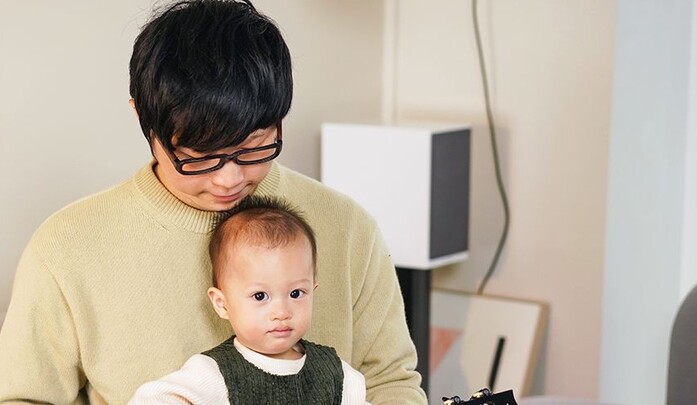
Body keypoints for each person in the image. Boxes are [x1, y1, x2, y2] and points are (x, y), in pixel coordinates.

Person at [0, 0, 426, 404]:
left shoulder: (346, 226)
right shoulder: (67, 247)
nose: (230, 178)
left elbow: (390, 381)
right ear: (140, 115)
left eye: (255, 146)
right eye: (198, 156)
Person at [130, 196, 369, 404]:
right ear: (222, 304)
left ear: (313, 291)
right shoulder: (214, 373)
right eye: (260, 296)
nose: (281, 312)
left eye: (296, 294)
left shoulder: (334, 371)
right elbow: (151, 398)